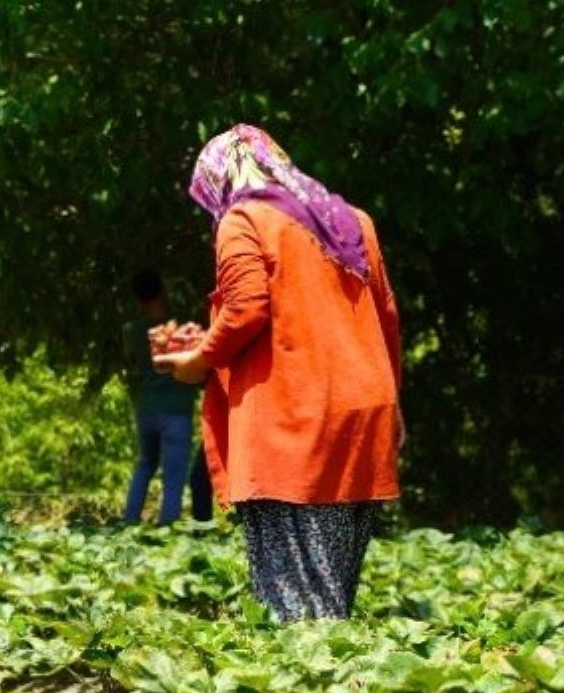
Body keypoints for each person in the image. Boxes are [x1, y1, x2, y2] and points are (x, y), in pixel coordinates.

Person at [155, 124, 403, 621]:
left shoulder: (244, 218)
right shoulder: (354, 223)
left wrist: (198, 362)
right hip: (364, 416)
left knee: (299, 613)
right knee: (332, 599)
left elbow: (246, 308)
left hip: (294, 425)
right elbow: (386, 318)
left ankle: (309, 670)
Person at [121, 269, 200, 524]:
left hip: (146, 407)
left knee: (145, 464)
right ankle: (168, 526)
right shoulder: (182, 329)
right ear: (163, 291)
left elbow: (133, 362)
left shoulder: (131, 330)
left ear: (138, 299)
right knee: (174, 475)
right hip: (176, 408)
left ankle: (129, 520)